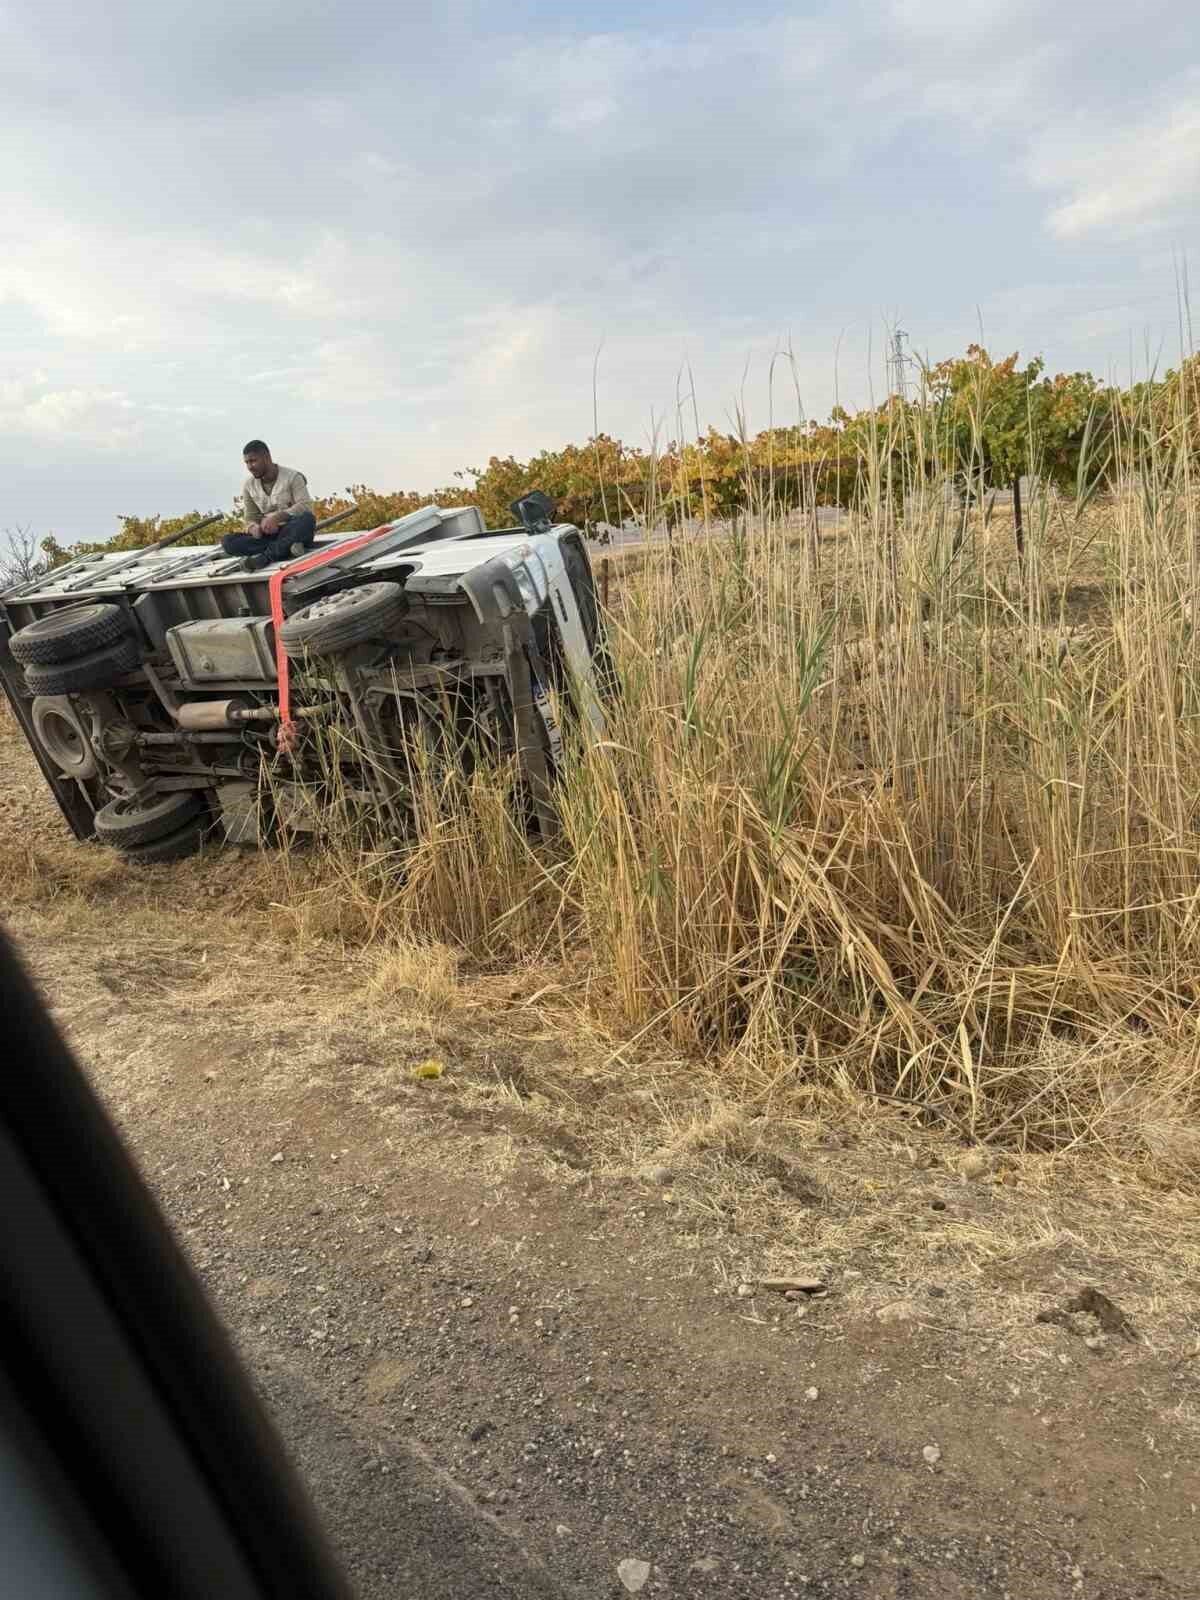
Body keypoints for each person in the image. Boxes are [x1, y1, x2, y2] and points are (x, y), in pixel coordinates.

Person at [222, 440, 318, 570]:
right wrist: (253, 527)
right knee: (228, 542)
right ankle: (286, 549)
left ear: (267, 457)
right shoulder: (249, 485)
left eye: (253, 461)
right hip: (268, 537)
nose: (250, 466)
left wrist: (278, 518)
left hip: (290, 530)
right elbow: (250, 517)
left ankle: (265, 558)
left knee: (307, 519)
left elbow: (305, 506)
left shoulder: (293, 477)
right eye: (247, 463)